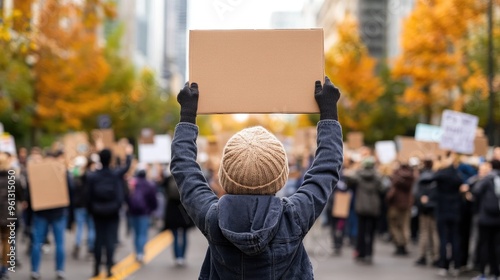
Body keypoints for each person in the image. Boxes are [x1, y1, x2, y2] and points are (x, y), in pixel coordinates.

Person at [170, 77, 342, 279]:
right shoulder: (293, 217)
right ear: (280, 177)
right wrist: (329, 112)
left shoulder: (213, 218)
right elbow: (326, 168)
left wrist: (187, 115)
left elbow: (184, 169)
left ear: (225, 175)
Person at [87, 145, 133, 278]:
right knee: (110, 240)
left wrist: (91, 210)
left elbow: (88, 196)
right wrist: (128, 154)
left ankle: (96, 267)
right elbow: (127, 167)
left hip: (97, 211)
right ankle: (108, 268)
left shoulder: (93, 176)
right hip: (113, 211)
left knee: (98, 240)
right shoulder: (115, 174)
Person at [28, 151, 73, 280]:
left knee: (37, 242)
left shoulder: (37, 172)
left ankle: (35, 270)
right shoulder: (61, 171)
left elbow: (30, 194)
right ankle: (60, 270)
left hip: (41, 212)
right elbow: (70, 190)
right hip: (58, 212)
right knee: (59, 243)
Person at [421, 152, 464, 277]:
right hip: (455, 211)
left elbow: (428, 179)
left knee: (444, 239)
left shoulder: (440, 175)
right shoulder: (456, 175)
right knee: (455, 239)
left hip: (443, 211)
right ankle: (456, 265)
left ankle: (444, 265)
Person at [346, 157, 383, 264]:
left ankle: (360, 252)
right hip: (373, 208)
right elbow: (383, 189)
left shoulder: (358, 175)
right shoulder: (377, 177)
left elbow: (348, 180)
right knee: (371, 232)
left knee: (361, 231)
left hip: (361, 207)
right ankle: (369, 253)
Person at [469, 160, 500, 280]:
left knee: (484, 245)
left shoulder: (487, 179)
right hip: (498, 218)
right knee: (496, 246)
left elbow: (476, 191)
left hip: (485, 217)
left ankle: (483, 273)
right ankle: (495, 272)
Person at [126, 164, 158, 263]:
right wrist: (152, 209)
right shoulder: (149, 184)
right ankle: (141, 253)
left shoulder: (132, 183)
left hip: (133, 212)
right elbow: (153, 199)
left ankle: (137, 252)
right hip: (145, 212)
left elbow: (126, 196)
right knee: (143, 233)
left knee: (136, 233)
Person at [163, 173, 194, 266]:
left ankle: (177, 257)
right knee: (184, 234)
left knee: (175, 235)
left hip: (172, 210)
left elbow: (164, 192)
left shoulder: (168, 179)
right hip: (183, 209)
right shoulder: (186, 178)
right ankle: (183, 257)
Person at [414, 159, 439, 267]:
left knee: (424, 232)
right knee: (434, 233)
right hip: (434, 208)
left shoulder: (421, 178)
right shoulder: (437, 177)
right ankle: (435, 256)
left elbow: (416, 193)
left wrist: (422, 200)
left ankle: (422, 256)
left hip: (424, 209)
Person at [386, 163, 415, 256]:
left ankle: (399, 244)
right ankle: (404, 244)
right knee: (405, 226)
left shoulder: (397, 176)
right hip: (406, 205)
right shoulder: (411, 177)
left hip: (395, 204)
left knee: (395, 226)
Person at [71, 156, 95, 260]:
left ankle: (78, 244)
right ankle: (90, 248)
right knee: (90, 228)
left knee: (80, 227)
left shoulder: (76, 179)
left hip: (79, 206)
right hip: (89, 206)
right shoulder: (92, 178)